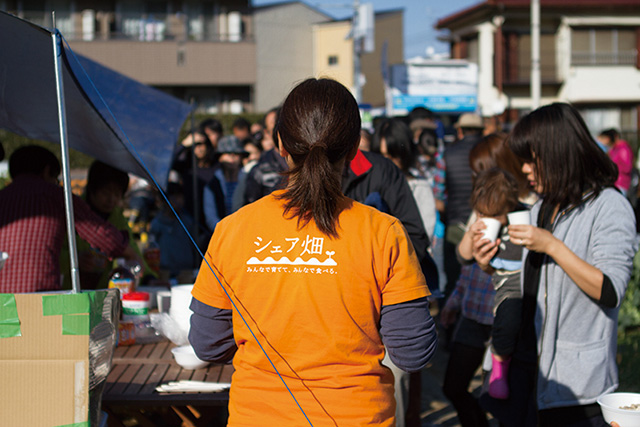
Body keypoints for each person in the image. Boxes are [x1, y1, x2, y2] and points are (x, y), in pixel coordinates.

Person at [189, 78, 437, 426]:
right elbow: (412, 352)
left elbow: (207, 345)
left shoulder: (233, 229)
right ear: (354, 148)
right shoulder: (384, 232)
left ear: (279, 144)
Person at [478, 103, 637, 426]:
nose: (524, 170)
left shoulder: (610, 207)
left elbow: (610, 290)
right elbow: (533, 281)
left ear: (556, 154)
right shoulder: (544, 206)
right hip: (528, 366)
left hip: (576, 383)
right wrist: (489, 266)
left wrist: (551, 245)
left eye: (530, 160)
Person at [0, 145, 137, 293]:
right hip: (42, 297)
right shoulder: (57, 196)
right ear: (47, 171)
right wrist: (128, 251)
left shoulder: (2, 197)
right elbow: (101, 235)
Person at [459, 168, 524, 400]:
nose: (490, 220)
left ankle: (499, 367)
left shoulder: (522, 217)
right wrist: (471, 234)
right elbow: (463, 257)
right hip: (501, 285)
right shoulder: (480, 219)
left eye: (496, 216)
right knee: (506, 322)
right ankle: (497, 368)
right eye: (483, 214)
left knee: (510, 321)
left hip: (520, 283)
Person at [60, 161, 152, 290]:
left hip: (104, 293)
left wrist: (149, 278)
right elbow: (54, 255)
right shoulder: (72, 213)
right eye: (106, 193)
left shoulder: (117, 217)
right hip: (72, 293)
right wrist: (75, 260)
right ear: (92, 189)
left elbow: (133, 251)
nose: (111, 199)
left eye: (117, 194)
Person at [434, 113, 485, 298]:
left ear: (460, 131)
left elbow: (438, 196)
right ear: (482, 131)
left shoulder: (447, 154)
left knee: (454, 280)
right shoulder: (491, 154)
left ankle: (450, 322)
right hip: (486, 224)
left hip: (455, 224)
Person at [597, 128, 634, 197]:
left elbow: (627, 167)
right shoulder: (613, 149)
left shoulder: (623, 149)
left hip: (621, 183)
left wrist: (613, 167)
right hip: (614, 183)